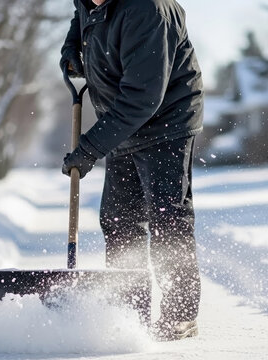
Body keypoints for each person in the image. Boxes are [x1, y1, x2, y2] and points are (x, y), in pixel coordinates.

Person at [60, 0, 203, 341]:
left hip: (166, 123)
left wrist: (89, 149)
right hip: (123, 123)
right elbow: (81, 22)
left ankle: (179, 315)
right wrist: (71, 48)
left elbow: (143, 97)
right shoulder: (89, 2)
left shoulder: (148, 10)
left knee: (167, 217)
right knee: (119, 218)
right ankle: (129, 310)